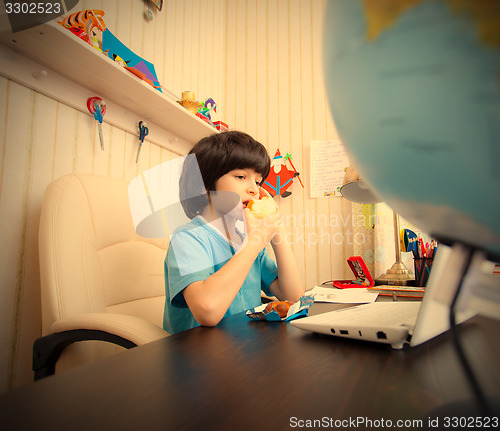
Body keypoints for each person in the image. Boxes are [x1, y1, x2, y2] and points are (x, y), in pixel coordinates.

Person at [163, 130, 304, 334]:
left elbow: (294, 297)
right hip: (197, 357)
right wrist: (255, 242)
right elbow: (207, 311)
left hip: (244, 351)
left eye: (258, 181)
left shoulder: (245, 240)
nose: (254, 189)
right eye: (241, 177)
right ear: (204, 185)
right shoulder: (187, 239)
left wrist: (276, 231)